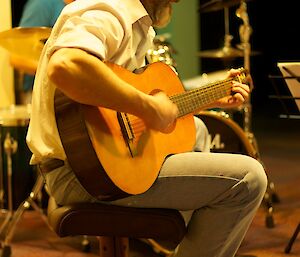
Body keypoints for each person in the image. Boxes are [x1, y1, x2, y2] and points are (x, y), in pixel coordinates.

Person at [26, 1, 268, 257]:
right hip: (79, 174)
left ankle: (185, 243)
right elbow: (66, 66)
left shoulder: (137, 24)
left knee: (197, 130)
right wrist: (149, 107)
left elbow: (124, 112)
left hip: (93, 164)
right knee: (248, 179)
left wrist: (210, 98)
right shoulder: (108, 10)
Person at [10, 0, 74, 104]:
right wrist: (61, 70)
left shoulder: (81, 6)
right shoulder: (42, 4)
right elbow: (17, 57)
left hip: (68, 94)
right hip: (40, 94)